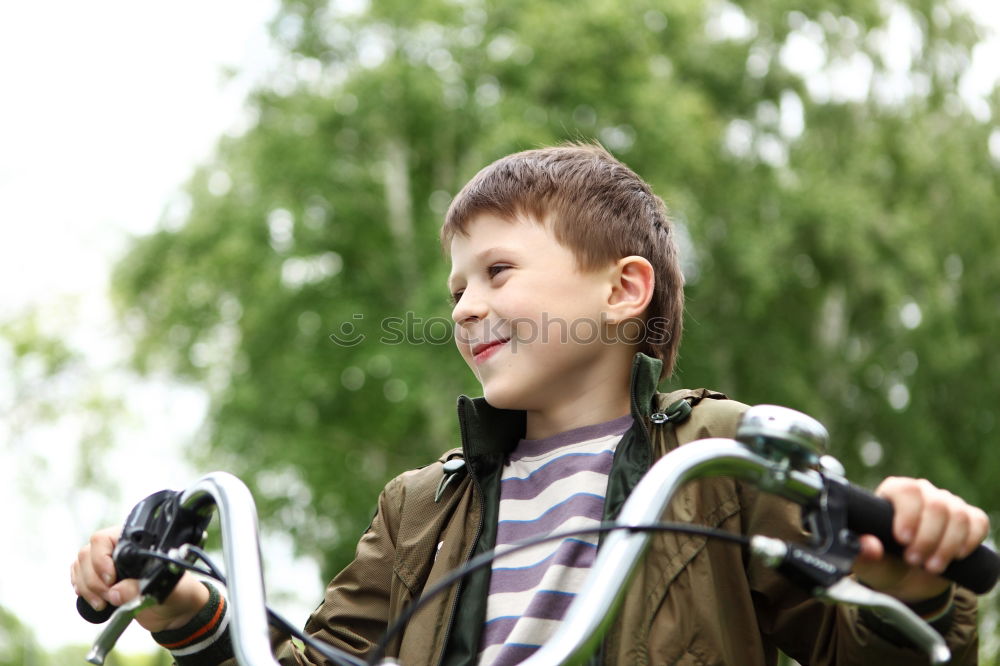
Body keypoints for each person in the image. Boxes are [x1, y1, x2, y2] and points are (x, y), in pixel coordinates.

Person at [72, 144, 990, 665]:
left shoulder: (716, 457)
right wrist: (183, 601)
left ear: (623, 290)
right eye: (456, 288)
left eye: (498, 271)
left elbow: (871, 658)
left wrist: (907, 585)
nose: (466, 306)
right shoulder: (419, 507)